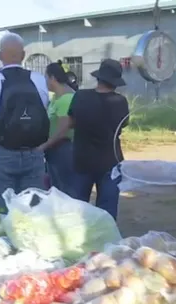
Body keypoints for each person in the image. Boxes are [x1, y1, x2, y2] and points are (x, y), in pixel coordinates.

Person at [0, 33, 49, 209]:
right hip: (34, 153)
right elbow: (42, 112)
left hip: (0, 153)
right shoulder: (39, 80)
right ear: (23, 55)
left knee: (0, 209)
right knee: (33, 209)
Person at [52, 59, 129, 219]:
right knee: (106, 212)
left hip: (82, 160)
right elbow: (121, 126)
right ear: (115, 82)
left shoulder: (80, 96)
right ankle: (107, 242)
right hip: (110, 162)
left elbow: (71, 122)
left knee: (78, 210)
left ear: (99, 78)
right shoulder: (120, 102)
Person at [35, 61, 78, 194]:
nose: (45, 81)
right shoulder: (55, 98)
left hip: (63, 150)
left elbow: (63, 130)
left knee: (65, 189)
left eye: (46, 77)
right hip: (53, 150)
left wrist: (44, 146)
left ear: (53, 78)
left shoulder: (67, 98)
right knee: (55, 188)